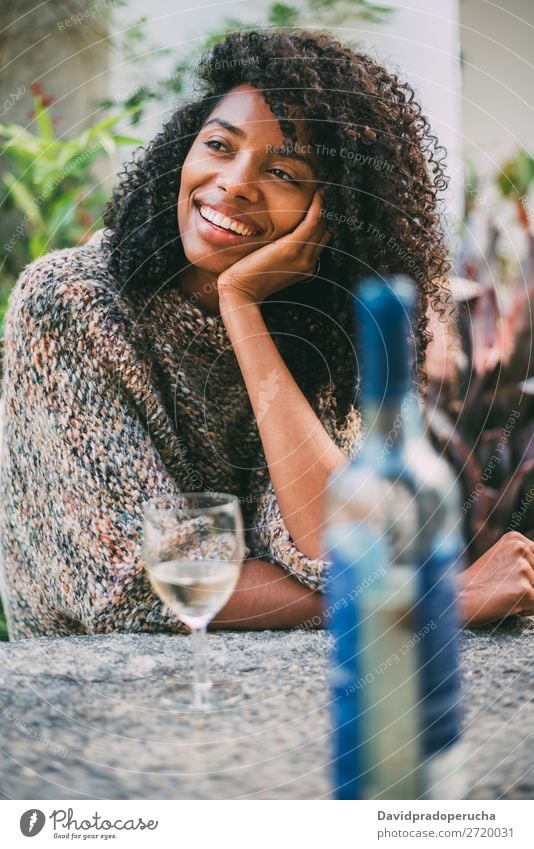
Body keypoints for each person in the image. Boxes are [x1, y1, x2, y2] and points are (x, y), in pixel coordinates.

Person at [1, 29, 533, 639]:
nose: (234, 182)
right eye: (220, 145)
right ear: (184, 149)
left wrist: (241, 305)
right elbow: (136, 587)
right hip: (101, 697)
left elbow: (335, 548)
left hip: (256, 690)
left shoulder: (315, 329)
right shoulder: (70, 302)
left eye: (283, 170)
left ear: (330, 215)